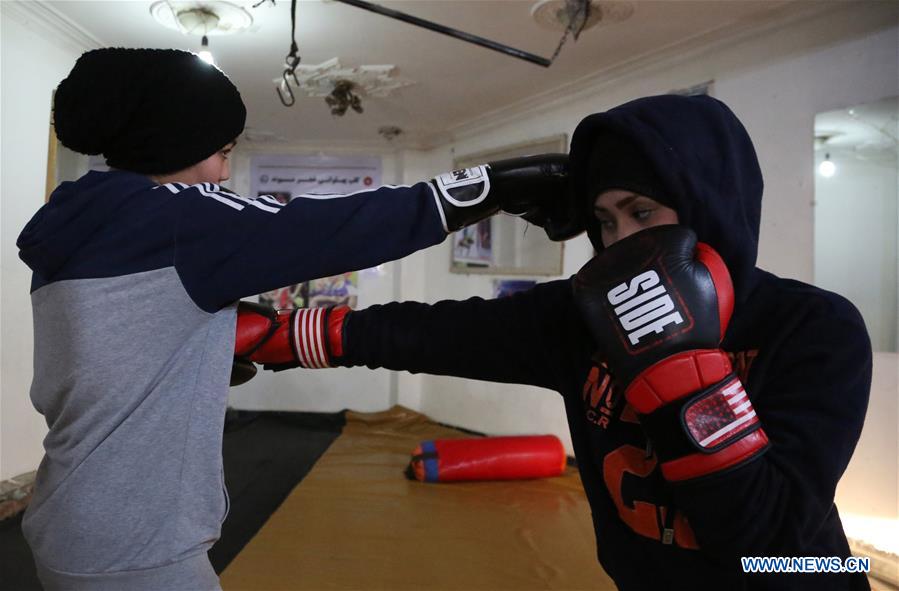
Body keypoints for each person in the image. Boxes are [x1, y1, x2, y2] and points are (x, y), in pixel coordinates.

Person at [237, 94, 873, 590]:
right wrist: (281, 335)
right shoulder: (584, 316)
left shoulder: (815, 327)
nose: (621, 242)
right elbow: (430, 333)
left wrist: (684, 375)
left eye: (642, 212)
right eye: (604, 221)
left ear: (709, 204)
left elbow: (772, 547)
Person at [15, 47, 576, 591]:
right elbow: (335, 227)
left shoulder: (73, 231)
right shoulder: (177, 220)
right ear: (176, 143)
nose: (224, 171)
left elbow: (107, 354)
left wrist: (200, 345)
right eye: (223, 152)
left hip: (67, 518)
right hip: (135, 544)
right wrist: (492, 188)